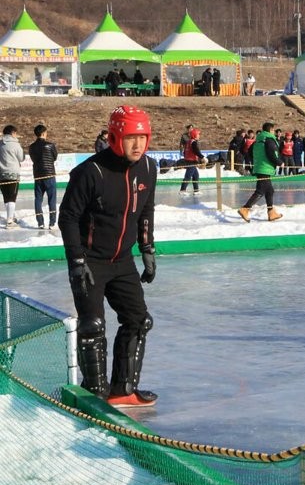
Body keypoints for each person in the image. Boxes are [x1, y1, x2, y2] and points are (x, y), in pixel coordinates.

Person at [58, 106, 161, 408]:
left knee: (139, 320)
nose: (138, 144)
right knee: (93, 326)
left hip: (123, 261)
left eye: (143, 137)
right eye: (131, 137)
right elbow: (68, 218)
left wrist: (147, 249)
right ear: (115, 137)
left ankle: (123, 388)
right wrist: (76, 261)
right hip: (90, 262)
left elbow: (145, 212)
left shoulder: (149, 168)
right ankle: (96, 394)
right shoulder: (92, 172)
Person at [238, 122, 283, 222]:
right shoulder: (269, 140)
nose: (274, 132)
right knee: (260, 190)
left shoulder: (257, 140)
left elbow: (249, 152)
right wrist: (280, 162)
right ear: (270, 130)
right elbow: (272, 154)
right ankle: (245, 209)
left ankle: (271, 212)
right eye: (273, 130)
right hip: (265, 168)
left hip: (260, 167)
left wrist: (257, 161)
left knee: (269, 190)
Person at [29, 124, 58, 230]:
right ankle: (52, 222)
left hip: (38, 175)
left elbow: (33, 159)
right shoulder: (50, 145)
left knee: (38, 199)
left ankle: (40, 222)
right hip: (49, 174)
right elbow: (54, 157)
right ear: (43, 133)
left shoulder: (31, 147)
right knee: (52, 199)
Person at [0, 125, 25, 228]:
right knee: (12, 198)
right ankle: (10, 221)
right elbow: (22, 158)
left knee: (6, 197)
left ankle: (10, 216)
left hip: (1, 174)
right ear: (12, 133)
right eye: (15, 133)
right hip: (13, 174)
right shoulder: (15, 145)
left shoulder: (0, 144)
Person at [180, 128, 204, 194]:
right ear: (195, 135)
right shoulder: (193, 143)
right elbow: (196, 151)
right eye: (198, 134)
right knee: (188, 176)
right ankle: (182, 190)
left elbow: (184, 152)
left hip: (189, 160)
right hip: (191, 161)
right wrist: (202, 157)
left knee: (196, 175)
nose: (199, 136)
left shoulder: (188, 142)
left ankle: (196, 190)